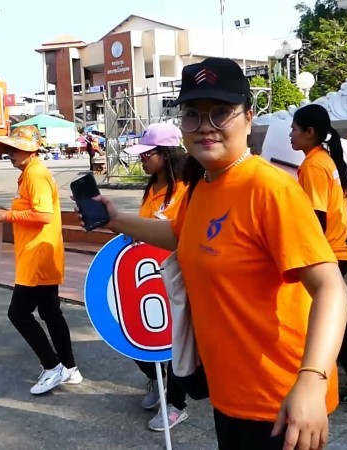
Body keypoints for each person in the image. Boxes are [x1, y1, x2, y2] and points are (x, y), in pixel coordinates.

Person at [81, 57, 347, 449]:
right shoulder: (203, 186)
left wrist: (311, 379)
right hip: (229, 393)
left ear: (248, 117)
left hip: (281, 400)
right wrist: (116, 220)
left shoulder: (270, 189)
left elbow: (331, 289)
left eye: (221, 112)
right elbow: (181, 235)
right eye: (192, 114)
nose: (205, 125)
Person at [289, 103, 347, 405]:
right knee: (331, 321)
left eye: (294, 129)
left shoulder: (315, 165)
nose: (290, 135)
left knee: (329, 323)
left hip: (324, 253)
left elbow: (316, 218)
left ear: (310, 133)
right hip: (335, 251)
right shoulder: (327, 161)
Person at [0, 125, 82, 395]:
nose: (9, 154)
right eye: (9, 149)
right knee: (51, 312)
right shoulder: (30, 173)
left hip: (38, 257)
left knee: (18, 313)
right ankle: (70, 368)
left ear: (29, 150)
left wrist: (8, 216)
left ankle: (52, 366)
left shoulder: (36, 174)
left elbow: (44, 215)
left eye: (14, 149)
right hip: (40, 254)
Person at [123, 123, 190, 431]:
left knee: (174, 343)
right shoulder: (151, 187)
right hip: (146, 279)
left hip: (179, 277)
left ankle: (176, 404)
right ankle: (155, 380)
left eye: (147, 154)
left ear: (166, 154)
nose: (142, 160)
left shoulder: (189, 187)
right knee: (137, 337)